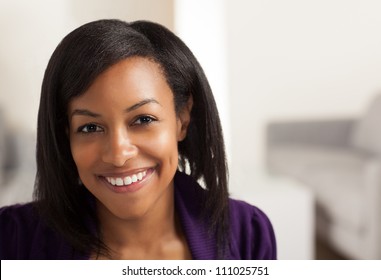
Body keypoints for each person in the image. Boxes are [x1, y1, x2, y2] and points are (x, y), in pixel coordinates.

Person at [0, 19, 276, 260]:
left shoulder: (248, 233)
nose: (118, 154)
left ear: (182, 118)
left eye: (143, 120)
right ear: (65, 135)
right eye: (90, 127)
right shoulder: (13, 239)